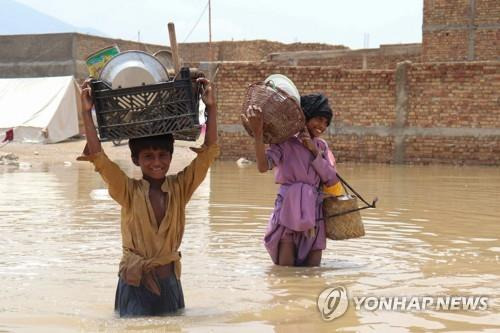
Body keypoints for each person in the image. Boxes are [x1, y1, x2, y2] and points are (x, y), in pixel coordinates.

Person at [77, 77, 219, 317]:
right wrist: (86, 113)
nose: (157, 163)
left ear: (171, 156)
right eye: (148, 157)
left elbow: (208, 153)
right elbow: (98, 157)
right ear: (136, 160)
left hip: (170, 283)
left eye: (163, 155)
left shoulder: (180, 187)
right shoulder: (127, 191)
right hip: (135, 283)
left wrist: (212, 108)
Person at [243, 93, 339, 267]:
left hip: (314, 214)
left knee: (313, 271)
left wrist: (313, 150)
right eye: (318, 119)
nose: (322, 126)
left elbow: (331, 179)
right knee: (285, 272)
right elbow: (263, 166)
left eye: (326, 122)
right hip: (288, 209)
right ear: (305, 116)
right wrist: (258, 134)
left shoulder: (321, 147)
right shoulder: (284, 142)